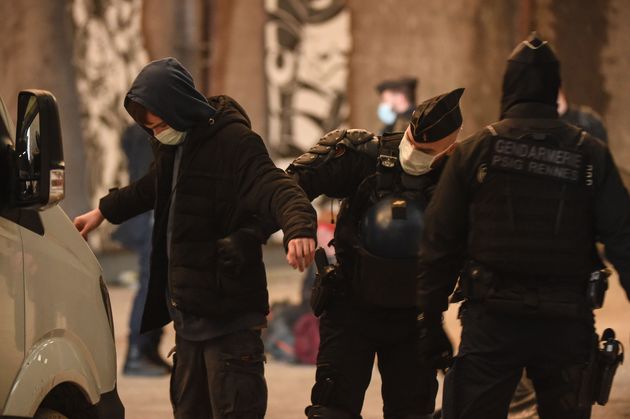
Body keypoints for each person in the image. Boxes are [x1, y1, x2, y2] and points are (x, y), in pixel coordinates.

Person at [73, 57, 317, 419]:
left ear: (181, 106)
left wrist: (299, 228)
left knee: (235, 407)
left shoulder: (236, 142)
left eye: (161, 125)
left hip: (230, 313)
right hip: (188, 314)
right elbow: (152, 186)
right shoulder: (173, 144)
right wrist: (104, 211)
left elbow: (278, 187)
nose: (158, 134)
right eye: (151, 129)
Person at [416, 34, 630, 419]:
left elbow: (439, 243)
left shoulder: (475, 151)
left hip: (492, 323)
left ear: (508, 86)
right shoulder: (590, 153)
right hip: (567, 323)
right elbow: (624, 239)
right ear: (553, 87)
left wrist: (429, 321)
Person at [288, 88, 465, 418]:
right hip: (350, 307)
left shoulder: (458, 175)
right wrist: (298, 226)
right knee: (332, 410)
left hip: (414, 317)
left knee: (412, 411)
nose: (414, 152)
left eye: (426, 150)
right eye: (412, 141)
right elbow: (290, 184)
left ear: (450, 148)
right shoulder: (363, 156)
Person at [112, 123, 170, 376]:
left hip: (150, 216)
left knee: (158, 283)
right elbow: (150, 179)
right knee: (151, 284)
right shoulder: (147, 134)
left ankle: (147, 350)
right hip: (152, 217)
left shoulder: (138, 132)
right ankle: (137, 352)